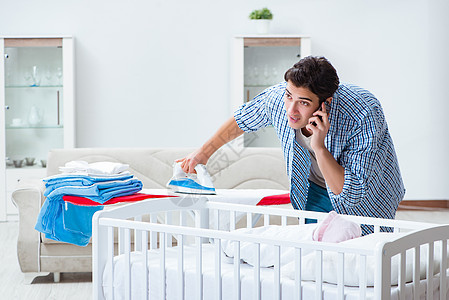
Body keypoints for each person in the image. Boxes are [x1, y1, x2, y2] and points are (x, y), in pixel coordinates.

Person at [178, 56, 405, 235]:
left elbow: (351, 191)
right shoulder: (280, 97)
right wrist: (203, 154)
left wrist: (319, 147)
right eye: (289, 97)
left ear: (326, 103)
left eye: (303, 103)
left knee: (363, 253)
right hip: (314, 188)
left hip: (367, 192)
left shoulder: (362, 112)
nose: (291, 110)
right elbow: (243, 119)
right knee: (317, 249)